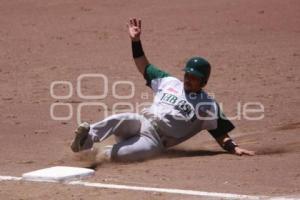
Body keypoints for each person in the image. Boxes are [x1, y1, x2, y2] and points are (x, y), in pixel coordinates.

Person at [70, 18, 255, 162]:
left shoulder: (208, 106)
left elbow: (221, 134)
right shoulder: (169, 81)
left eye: (194, 77)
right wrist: (136, 41)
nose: (188, 79)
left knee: (122, 155)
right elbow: (143, 65)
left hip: (154, 141)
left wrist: (233, 147)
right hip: (142, 122)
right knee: (120, 118)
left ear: (203, 82)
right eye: (187, 74)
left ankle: (100, 154)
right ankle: (85, 140)